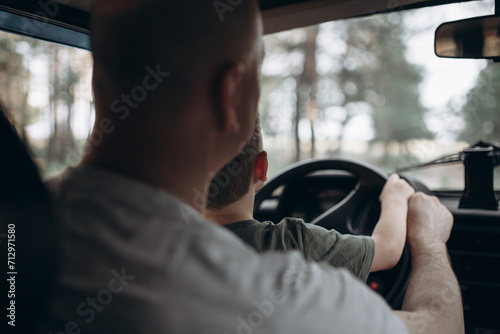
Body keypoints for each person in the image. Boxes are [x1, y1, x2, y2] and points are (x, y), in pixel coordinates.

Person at [43, 1, 464, 333]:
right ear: (230, 93)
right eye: (257, 77)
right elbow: (441, 328)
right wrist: (428, 239)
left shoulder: (21, 223)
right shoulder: (279, 300)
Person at [204, 121, 415, 282]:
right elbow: (388, 250)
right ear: (261, 167)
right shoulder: (293, 242)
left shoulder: (175, 243)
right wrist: (395, 198)